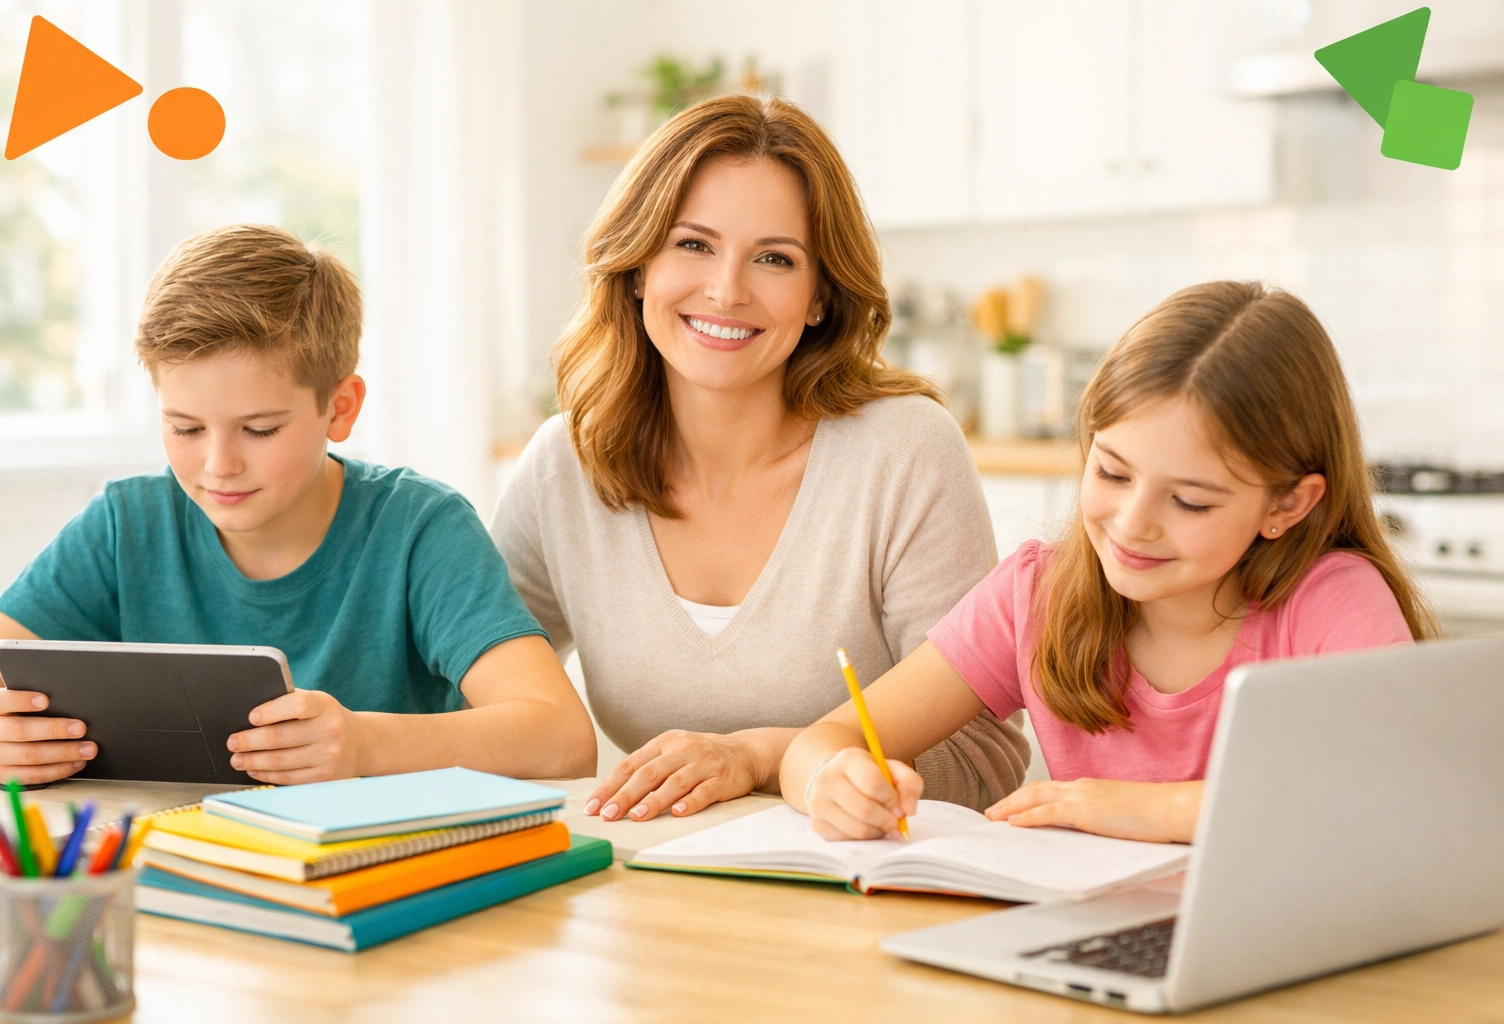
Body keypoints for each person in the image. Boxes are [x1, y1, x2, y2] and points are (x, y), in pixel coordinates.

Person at [491, 94, 1028, 824]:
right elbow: (479, 695)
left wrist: (766, 758)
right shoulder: (565, 465)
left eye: (774, 258)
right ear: (639, 265)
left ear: (817, 297)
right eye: (692, 244)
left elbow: (985, 758)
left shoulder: (903, 452)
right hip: (654, 890)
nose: (726, 289)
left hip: (865, 896)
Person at [782, 281, 1436, 842]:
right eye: (1113, 473)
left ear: (1288, 504)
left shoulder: (1332, 601)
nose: (1132, 525)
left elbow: (1402, 791)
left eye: (1188, 501)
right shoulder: (1037, 594)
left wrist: (1155, 809)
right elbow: (827, 739)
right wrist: (830, 781)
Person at [0, 225, 596, 786]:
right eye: (185, 428)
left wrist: (365, 745)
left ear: (340, 408)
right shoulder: (125, 526)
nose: (219, 465)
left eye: (260, 429)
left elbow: (561, 738)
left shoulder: (418, 529)